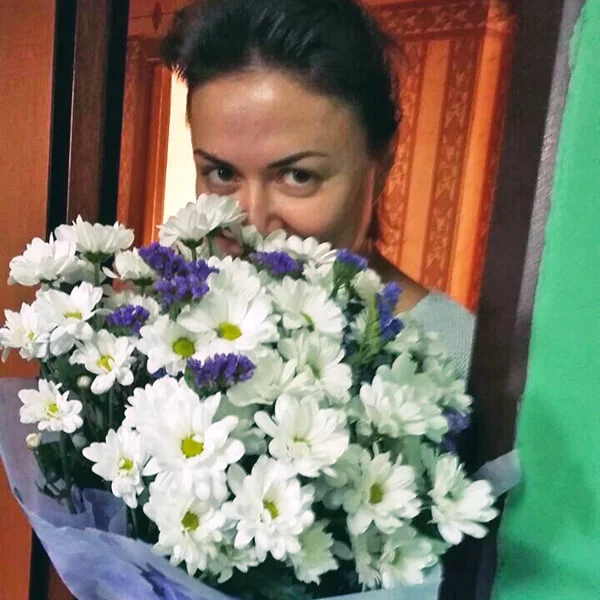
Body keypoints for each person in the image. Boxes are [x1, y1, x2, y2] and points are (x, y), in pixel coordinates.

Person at [160, 0, 475, 377]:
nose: (251, 223)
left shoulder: (456, 357)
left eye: (298, 176)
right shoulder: (168, 325)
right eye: (222, 173)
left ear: (382, 164)